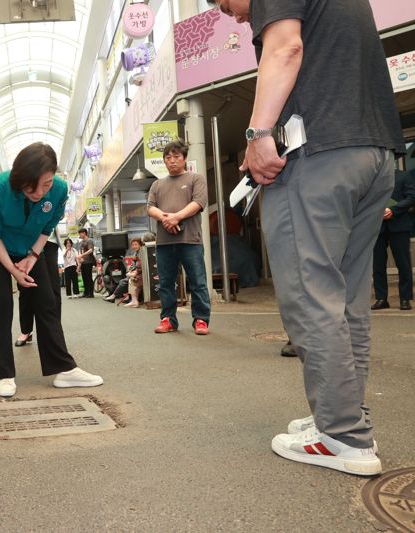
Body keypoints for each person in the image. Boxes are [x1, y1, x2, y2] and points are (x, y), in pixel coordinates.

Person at [212, 0, 404, 475]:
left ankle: (343, 436)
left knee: (310, 296)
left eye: (223, 3)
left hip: (319, 157)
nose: (231, 15)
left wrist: (259, 135)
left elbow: (285, 47)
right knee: (347, 300)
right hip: (375, 153)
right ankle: (345, 419)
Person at [0, 142, 103, 398]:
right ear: (20, 177)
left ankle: (64, 369)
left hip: (31, 246)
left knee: (46, 300)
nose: (39, 192)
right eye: (32, 185)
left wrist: (33, 256)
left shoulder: (59, 189)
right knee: (2, 302)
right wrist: (13, 270)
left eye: (46, 184)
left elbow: (48, 226)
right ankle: (4, 373)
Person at [147, 140, 210, 335]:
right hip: (165, 242)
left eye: (176, 157)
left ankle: (201, 319)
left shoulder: (195, 179)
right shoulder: (157, 184)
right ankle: (168, 319)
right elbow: (150, 207)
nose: (172, 161)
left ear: (184, 158)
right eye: (168, 157)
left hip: (190, 240)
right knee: (165, 283)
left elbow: (199, 202)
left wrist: (177, 217)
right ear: (164, 161)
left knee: (197, 281)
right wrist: (166, 218)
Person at [371, 169, 415, 311]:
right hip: (377, 226)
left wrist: (393, 210)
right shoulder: (373, 178)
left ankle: (405, 299)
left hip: (399, 225)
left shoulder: (404, 176)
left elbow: (411, 197)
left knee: (403, 264)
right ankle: (381, 298)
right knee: (377, 265)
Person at [15, 239, 62, 347]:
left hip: (50, 240)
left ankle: (54, 330)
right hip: (28, 238)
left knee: (53, 287)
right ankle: (26, 330)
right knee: (26, 286)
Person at [123, 239, 144, 308]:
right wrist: (131, 271)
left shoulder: (142, 252)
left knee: (132, 279)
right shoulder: (136, 253)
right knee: (130, 277)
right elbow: (134, 265)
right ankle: (133, 300)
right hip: (140, 272)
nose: (134, 246)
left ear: (140, 245)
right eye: (133, 245)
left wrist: (135, 272)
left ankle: (134, 300)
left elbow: (141, 265)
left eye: (136, 244)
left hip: (143, 274)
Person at [77, 228, 95, 298]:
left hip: (89, 261)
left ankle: (91, 293)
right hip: (83, 262)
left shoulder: (89, 240)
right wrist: (80, 259)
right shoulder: (82, 242)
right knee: (84, 277)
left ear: (84, 233)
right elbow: (81, 251)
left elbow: (91, 250)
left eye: (80, 233)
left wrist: (82, 255)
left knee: (88, 277)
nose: (80, 235)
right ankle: (86, 292)